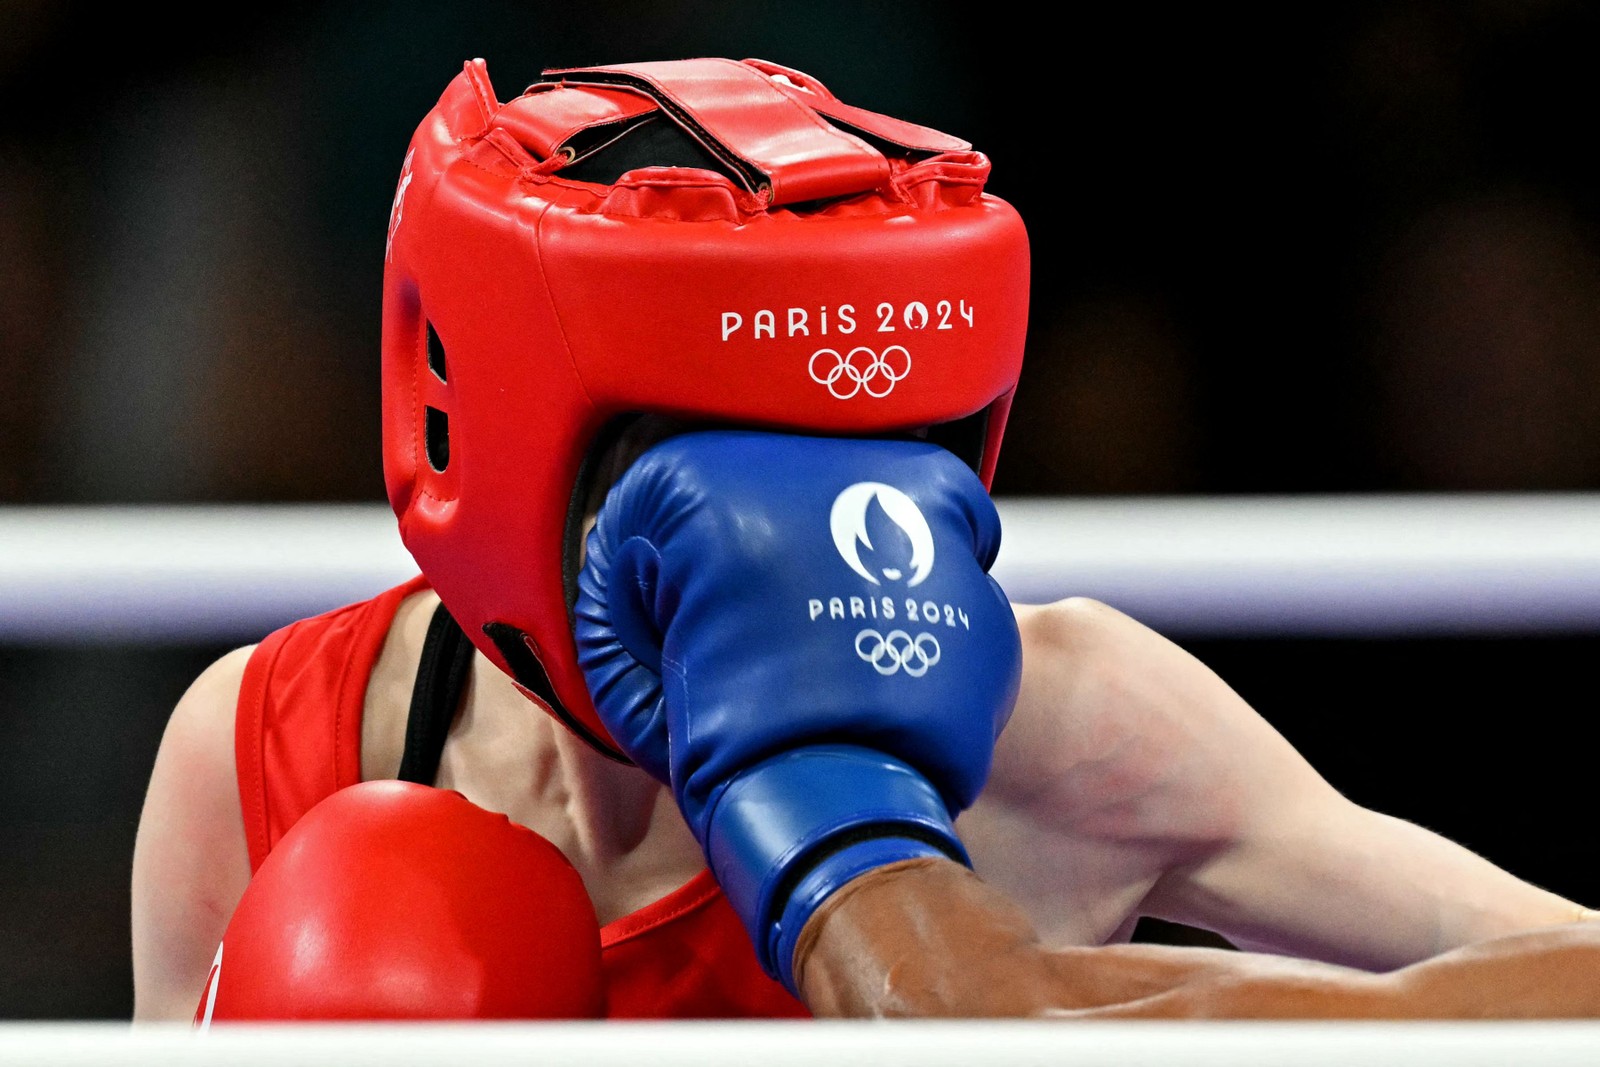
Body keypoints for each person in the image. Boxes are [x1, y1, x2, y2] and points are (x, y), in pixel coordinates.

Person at [133, 57, 1592, 1022]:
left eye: (857, 444)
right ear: (508, 437)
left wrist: (1078, 1019)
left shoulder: (1060, 723)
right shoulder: (268, 747)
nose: (804, 523)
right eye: (722, 455)